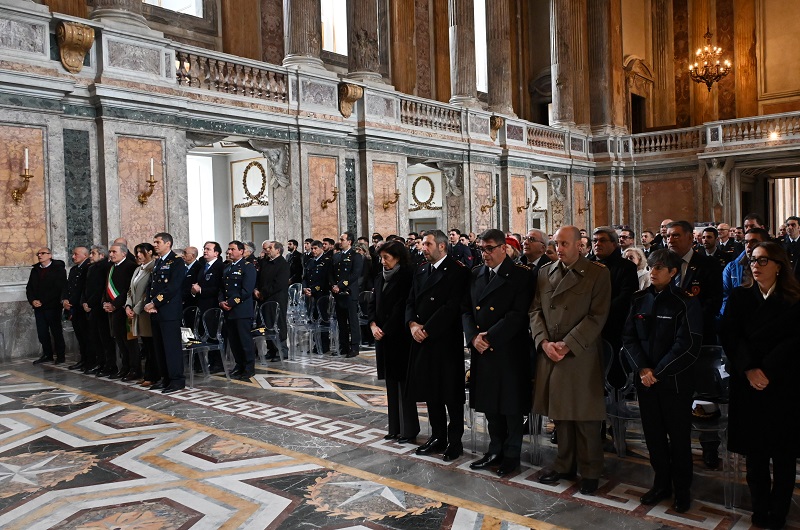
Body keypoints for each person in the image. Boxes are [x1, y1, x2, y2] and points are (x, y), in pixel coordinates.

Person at [720, 242, 800, 530]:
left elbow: (794, 341)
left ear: (778, 265)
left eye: (763, 261)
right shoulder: (740, 298)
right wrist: (750, 368)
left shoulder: (794, 298)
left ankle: (778, 511)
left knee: (783, 455)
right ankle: (760, 509)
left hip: (783, 385)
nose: (755, 265)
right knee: (755, 455)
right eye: (752, 260)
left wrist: (767, 369)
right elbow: (729, 335)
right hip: (749, 383)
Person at [530, 226, 611, 495]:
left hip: (580, 352)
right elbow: (535, 310)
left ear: (580, 245)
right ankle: (564, 464)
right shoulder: (545, 273)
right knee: (560, 413)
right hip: (551, 350)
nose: (559, 248)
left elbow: (597, 316)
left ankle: (590, 470)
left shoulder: (598, 274)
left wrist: (567, 345)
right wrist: (543, 342)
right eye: (556, 243)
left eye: (565, 243)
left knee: (585, 415)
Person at [622, 249, 703, 513]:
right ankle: (660, 484)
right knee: (653, 436)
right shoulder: (639, 299)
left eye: (659, 268)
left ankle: (682, 489)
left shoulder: (685, 302)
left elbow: (687, 344)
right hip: (646, 381)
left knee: (678, 439)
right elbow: (629, 338)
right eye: (652, 267)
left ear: (672, 272)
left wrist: (658, 372)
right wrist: (643, 370)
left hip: (675, 382)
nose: (653, 272)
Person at [463, 229, 534, 476]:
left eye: (490, 248)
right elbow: (466, 310)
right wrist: (473, 336)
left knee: (511, 406)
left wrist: (489, 337)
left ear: (504, 248)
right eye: (481, 248)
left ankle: (511, 454)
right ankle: (494, 450)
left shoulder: (520, 276)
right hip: (482, 349)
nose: (485, 253)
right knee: (491, 404)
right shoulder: (476, 274)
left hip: (508, 349)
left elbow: (517, 315)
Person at [406, 230, 469, 462]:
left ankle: (455, 440)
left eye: (428, 244)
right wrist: (412, 324)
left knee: (450, 393)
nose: (423, 247)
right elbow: (411, 300)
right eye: (423, 243)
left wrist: (426, 329)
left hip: (444, 339)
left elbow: (452, 307)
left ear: (442, 246)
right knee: (431, 390)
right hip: (421, 338)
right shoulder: (421, 269)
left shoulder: (457, 270)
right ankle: (438, 436)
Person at [369, 240, 418, 443]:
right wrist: (372, 325)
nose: (383, 262)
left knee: (404, 385)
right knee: (390, 384)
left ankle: (409, 429)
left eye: (386, 258)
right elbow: (373, 303)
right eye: (381, 258)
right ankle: (394, 427)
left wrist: (385, 330)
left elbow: (402, 307)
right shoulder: (380, 277)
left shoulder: (407, 276)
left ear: (398, 258)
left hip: (399, 338)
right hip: (382, 336)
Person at [144, 232, 187, 393]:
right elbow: (152, 286)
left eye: (158, 242)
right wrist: (149, 303)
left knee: (171, 347)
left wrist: (155, 302)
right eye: (154, 242)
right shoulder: (158, 262)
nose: (155, 245)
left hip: (169, 311)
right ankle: (165, 378)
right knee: (159, 347)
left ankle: (176, 380)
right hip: (155, 311)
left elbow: (173, 287)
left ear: (168, 244)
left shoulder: (176, 262)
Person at [220, 240, 257, 380]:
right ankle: (239, 365)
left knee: (244, 340)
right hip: (228, 311)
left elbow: (246, 290)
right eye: (228, 249)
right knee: (234, 341)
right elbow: (222, 288)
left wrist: (230, 302)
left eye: (232, 249)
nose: (229, 252)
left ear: (241, 251)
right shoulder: (227, 268)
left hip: (241, 310)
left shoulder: (248, 267)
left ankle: (249, 367)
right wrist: (221, 301)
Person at [27, 247, 67, 365]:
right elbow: (29, 288)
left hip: (53, 306)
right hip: (38, 307)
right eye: (38, 253)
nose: (40, 255)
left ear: (50, 255)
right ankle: (47, 354)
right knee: (42, 332)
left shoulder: (58, 269)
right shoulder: (35, 270)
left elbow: (59, 288)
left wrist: (43, 301)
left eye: (43, 253)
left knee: (56, 331)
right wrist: (33, 300)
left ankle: (60, 356)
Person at [103, 243, 138, 380]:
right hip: (112, 310)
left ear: (124, 253)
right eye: (110, 252)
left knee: (129, 341)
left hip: (125, 309)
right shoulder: (111, 268)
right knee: (119, 341)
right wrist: (105, 302)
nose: (111, 254)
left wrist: (115, 305)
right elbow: (106, 288)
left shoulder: (130, 266)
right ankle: (125, 367)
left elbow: (127, 290)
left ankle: (134, 369)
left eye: (114, 252)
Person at [125, 243, 156, 386]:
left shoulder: (153, 267)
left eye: (141, 252)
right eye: (136, 252)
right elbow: (130, 291)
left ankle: (152, 375)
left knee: (150, 346)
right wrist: (128, 305)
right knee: (144, 343)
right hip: (136, 312)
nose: (138, 255)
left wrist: (136, 309)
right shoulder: (138, 269)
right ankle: (147, 374)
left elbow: (147, 293)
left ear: (149, 252)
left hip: (146, 312)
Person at [721, 228, 770, 316]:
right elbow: (725, 295)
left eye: (754, 242)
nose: (748, 246)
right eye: (746, 242)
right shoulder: (732, 267)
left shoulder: (772, 265)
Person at [330, 231, 363, 358]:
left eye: (342, 239)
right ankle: (343, 346)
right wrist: (333, 285)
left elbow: (355, 274)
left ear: (349, 241)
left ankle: (354, 347)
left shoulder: (356, 256)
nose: (340, 241)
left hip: (349, 292)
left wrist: (340, 285)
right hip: (338, 293)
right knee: (341, 321)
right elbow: (331, 272)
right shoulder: (337, 256)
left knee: (352, 321)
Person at [256, 240, 290, 361]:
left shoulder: (283, 264)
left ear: (278, 250)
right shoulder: (265, 262)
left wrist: (263, 292)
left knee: (278, 323)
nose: (268, 250)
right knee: (267, 324)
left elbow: (279, 283)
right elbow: (260, 279)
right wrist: (257, 290)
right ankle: (271, 349)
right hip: (264, 298)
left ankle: (282, 351)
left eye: (270, 248)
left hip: (277, 298)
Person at [81, 245, 112, 375]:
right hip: (91, 307)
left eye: (93, 253)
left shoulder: (105, 268)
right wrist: (84, 301)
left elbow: (100, 289)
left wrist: (91, 303)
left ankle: (109, 365)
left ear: (102, 255)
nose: (90, 256)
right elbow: (86, 287)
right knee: (95, 338)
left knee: (105, 339)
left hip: (99, 307)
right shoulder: (91, 268)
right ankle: (100, 362)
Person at [62, 247, 90, 370]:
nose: (73, 257)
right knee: (80, 336)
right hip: (73, 308)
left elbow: (83, 289)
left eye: (75, 254)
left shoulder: (88, 268)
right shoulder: (74, 269)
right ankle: (83, 359)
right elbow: (68, 287)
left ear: (85, 255)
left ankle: (90, 360)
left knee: (86, 336)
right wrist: (64, 300)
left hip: (82, 308)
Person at [303, 240, 332, 354]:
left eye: (315, 248)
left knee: (322, 320)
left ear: (321, 249)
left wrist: (314, 290)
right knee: (313, 319)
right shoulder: (310, 261)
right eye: (312, 249)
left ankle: (324, 345)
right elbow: (305, 277)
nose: (313, 251)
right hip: (310, 296)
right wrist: (305, 288)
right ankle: (316, 344)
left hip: (321, 295)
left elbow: (325, 280)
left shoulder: (326, 261)